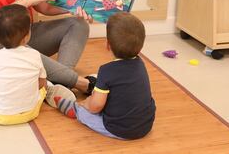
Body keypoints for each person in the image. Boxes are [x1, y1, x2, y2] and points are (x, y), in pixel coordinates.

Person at [0, 4, 75, 125]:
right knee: (43, 87)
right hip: (31, 112)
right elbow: (41, 84)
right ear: (27, 35)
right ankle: (52, 89)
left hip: (0, 116)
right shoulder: (35, 55)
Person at [52, 12, 156, 140]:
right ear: (140, 48)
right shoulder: (141, 64)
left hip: (120, 130)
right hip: (146, 125)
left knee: (88, 112)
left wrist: (85, 103)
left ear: (108, 45)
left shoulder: (107, 71)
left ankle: (75, 110)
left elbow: (95, 107)